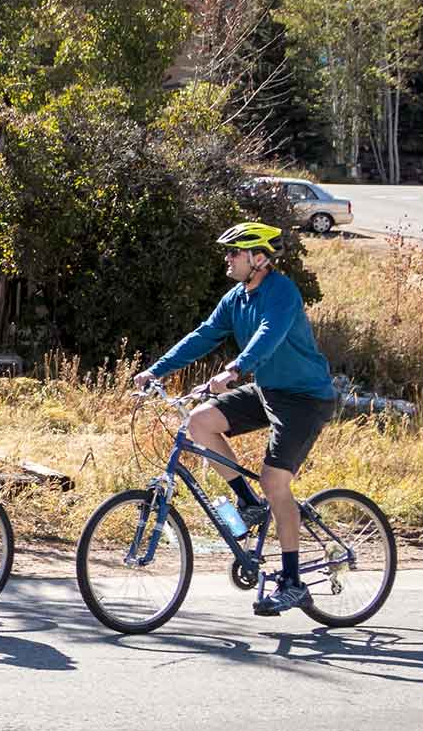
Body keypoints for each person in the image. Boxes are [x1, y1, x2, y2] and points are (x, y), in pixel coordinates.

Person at [134, 221, 337, 616]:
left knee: (274, 480)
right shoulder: (236, 298)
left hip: (304, 399)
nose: (226, 259)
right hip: (268, 391)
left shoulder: (282, 292)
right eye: (227, 252)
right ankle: (248, 504)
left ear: (258, 258)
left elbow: (269, 334)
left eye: (234, 253)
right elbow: (203, 335)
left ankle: (293, 583)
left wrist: (234, 370)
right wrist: (155, 370)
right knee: (199, 421)